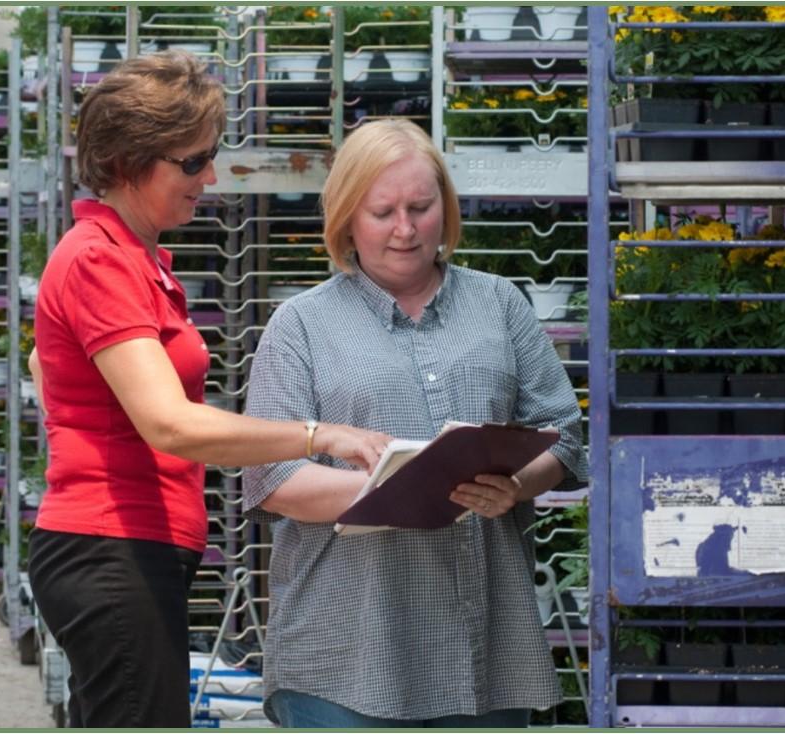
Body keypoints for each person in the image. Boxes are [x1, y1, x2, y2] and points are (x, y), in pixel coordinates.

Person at [26, 51, 387, 729]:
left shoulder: (131, 260)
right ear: (131, 162)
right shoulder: (101, 259)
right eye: (191, 162)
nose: (209, 176)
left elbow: (49, 369)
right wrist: (318, 435)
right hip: (111, 546)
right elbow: (171, 425)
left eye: (209, 156)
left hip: (128, 546)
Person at [243, 118, 589, 728]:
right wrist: (404, 486)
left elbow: (562, 431)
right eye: (382, 212)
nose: (405, 229)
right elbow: (275, 480)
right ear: (347, 218)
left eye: (421, 207)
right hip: (347, 654)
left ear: (446, 210)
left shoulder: (500, 305)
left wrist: (517, 484)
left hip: (484, 649)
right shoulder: (300, 326)